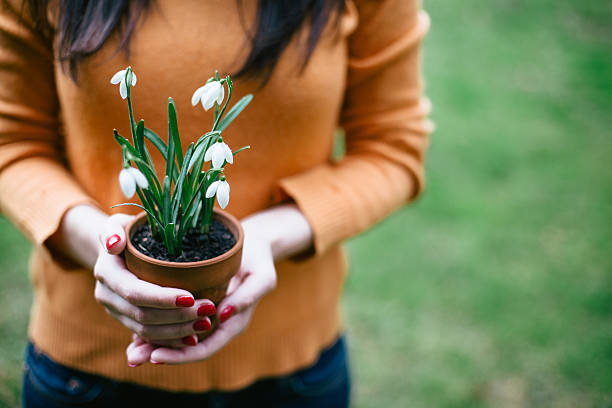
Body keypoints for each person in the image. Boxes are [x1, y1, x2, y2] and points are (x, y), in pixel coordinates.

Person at [0, 0, 431, 406]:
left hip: (294, 368)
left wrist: (270, 236)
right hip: (87, 370)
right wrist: (96, 241)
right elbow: (11, 143)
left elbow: (393, 148)